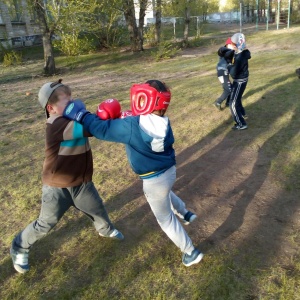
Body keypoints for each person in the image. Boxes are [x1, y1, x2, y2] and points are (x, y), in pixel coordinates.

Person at [63, 80, 204, 267]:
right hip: (169, 171)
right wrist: (121, 117)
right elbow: (135, 122)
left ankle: (190, 252)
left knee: (165, 219)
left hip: (153, 180)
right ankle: (185, 213)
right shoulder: (162, 122)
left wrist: (81, 115)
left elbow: (101, 130)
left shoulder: (132, 126)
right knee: (165, 193)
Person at [10, 79, 124, 274]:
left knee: (96, 208)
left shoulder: (71, 117)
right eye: (65, 101)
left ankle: (105, 230)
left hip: (81, 182)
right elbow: (91, 128)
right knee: (45, 223)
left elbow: (90, 122)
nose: (71, 102)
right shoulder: (56, 125)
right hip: (57, 186)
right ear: (51, 108)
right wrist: (98, 118)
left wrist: (109, 116)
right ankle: (19, 246)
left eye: (71, 97)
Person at [227, 33, 251, 130]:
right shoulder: (240, 52)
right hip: (241, 79)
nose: (230, 45)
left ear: (237, 44)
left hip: (239, 80)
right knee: (237, 99)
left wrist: (228, 66)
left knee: (232, 103)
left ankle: (241, 124)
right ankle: (242, 113)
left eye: (232, 43)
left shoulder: (240, 56)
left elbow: (233, 73)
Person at [213, 37, 235, 110]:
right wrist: (231, 49)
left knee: (230, 88)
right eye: (232, 44)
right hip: (222, 72)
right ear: (228, 44)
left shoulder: (231, 53)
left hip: (224, 72)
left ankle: (228, 103)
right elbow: (221, 50)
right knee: (228, 89)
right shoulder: (224, 50)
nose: (234, 46)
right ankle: (217, 102)